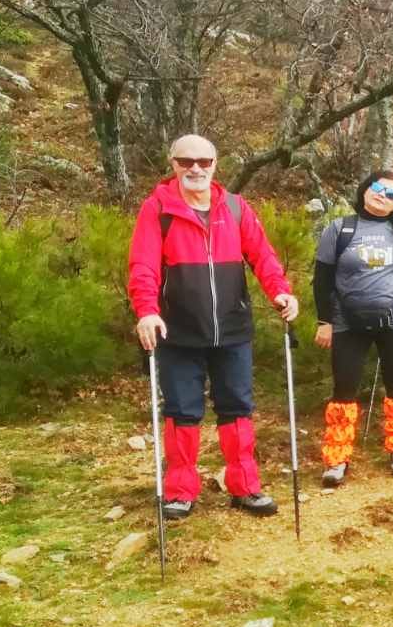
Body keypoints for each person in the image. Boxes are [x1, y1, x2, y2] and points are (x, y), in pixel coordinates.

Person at [127, 133, 298, 519]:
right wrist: (147, 311)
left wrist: (281, 293)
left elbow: (263, 256)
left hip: (233, 329)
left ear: (216, 165)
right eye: (186, 162)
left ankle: (245, 487)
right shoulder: (158, 210)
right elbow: (143, 266)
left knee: (237, 407)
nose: (196, 169)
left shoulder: (235, 208)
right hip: (178, 332)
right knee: (182, 411)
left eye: (204, 162)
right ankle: (180, 491)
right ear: (172, 164)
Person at [313, 173, 393, 485]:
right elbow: (322, 280)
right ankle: (336, 457)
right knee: (344, 389)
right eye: (377, 189)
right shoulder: (340, 229)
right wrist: (324, 322)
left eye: (390, 194)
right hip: (347, 321)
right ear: (364, 189)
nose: (381, 196)